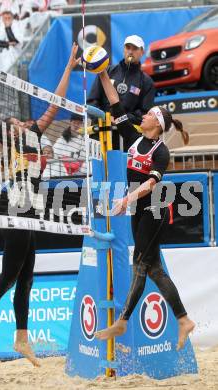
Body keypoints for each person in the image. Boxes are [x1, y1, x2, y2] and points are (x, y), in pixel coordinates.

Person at [0, 43, 80, 366]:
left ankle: (21, 339)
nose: (24, 122)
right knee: (8, 278)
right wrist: (68, 68)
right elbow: (54, 106)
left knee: (25, 279)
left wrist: (70, 66)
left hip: (28, 211)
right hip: (18, 211)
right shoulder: (20, 139)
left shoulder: (26, 142)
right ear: (12, 131)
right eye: (18, 122)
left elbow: (52, 108)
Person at [94, 68, 195, 351]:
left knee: (140, 264)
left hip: (155, 210)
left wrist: (126, 200)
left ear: (157, 124)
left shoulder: (161, 151)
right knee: (153, 270)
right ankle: (183, 319)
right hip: (140, 210)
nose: (145, 115)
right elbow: (116, 105)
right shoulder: (134, 137)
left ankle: (124, 319)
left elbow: (151, 184)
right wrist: (102, 75)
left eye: (149, 114)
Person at [87, 35, 155, 150]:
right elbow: (92, 101)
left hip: (127, 138)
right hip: (100, 134)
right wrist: (105, 117)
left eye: (135, 48)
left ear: (142, 52)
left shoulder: (146, 81)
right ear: (124, 49)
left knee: (121, 167)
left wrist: (120, 118)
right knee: (98, 168)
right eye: (128, 47)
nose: (130, 51)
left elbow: (144, 113)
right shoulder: (107, 71)